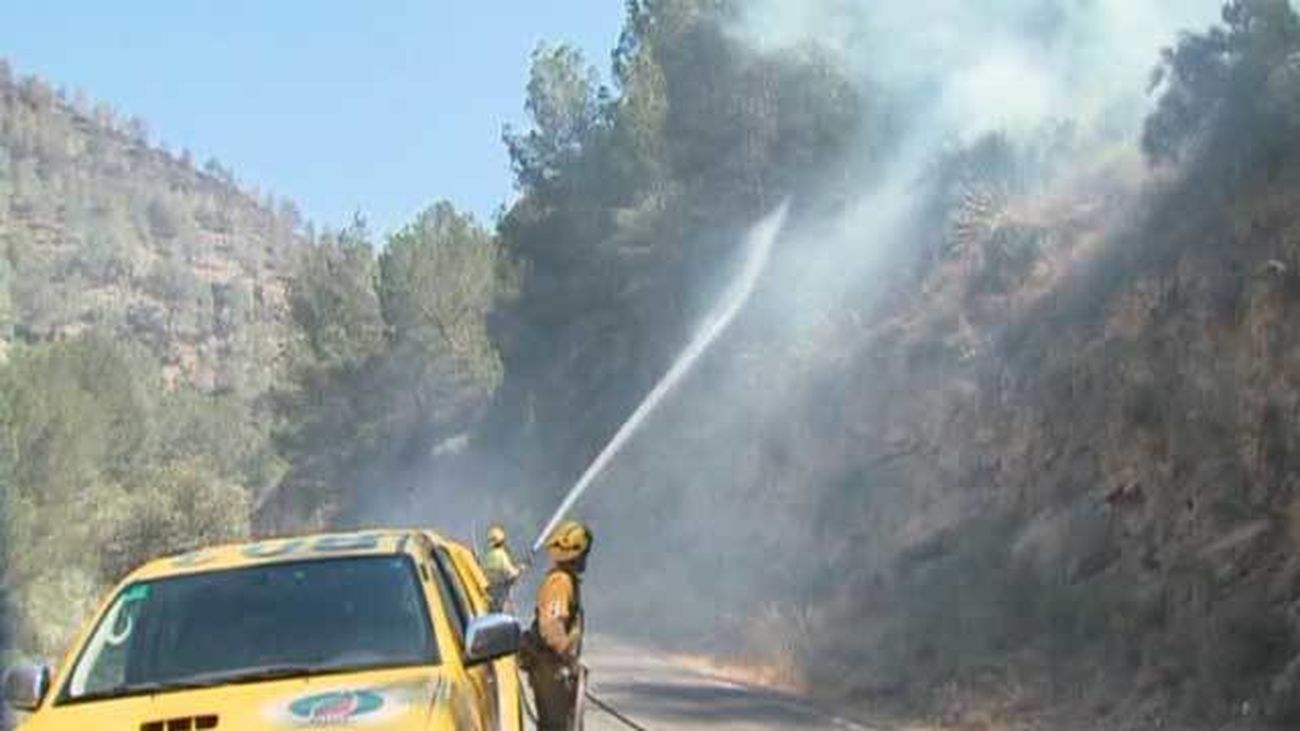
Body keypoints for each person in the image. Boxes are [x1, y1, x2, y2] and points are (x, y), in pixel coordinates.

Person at [526, 520, 592, 730]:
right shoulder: (560, 583)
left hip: (554, 668)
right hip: (551, 670)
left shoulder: (566, 580)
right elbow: (552, 627)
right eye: (584, 553)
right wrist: (567, 659)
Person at [482, 524, 523, 612]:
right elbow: (510, 574)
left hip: (490, 594)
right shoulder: (501, 555)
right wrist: (520, 570)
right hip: (502, 595)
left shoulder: (487, 556)